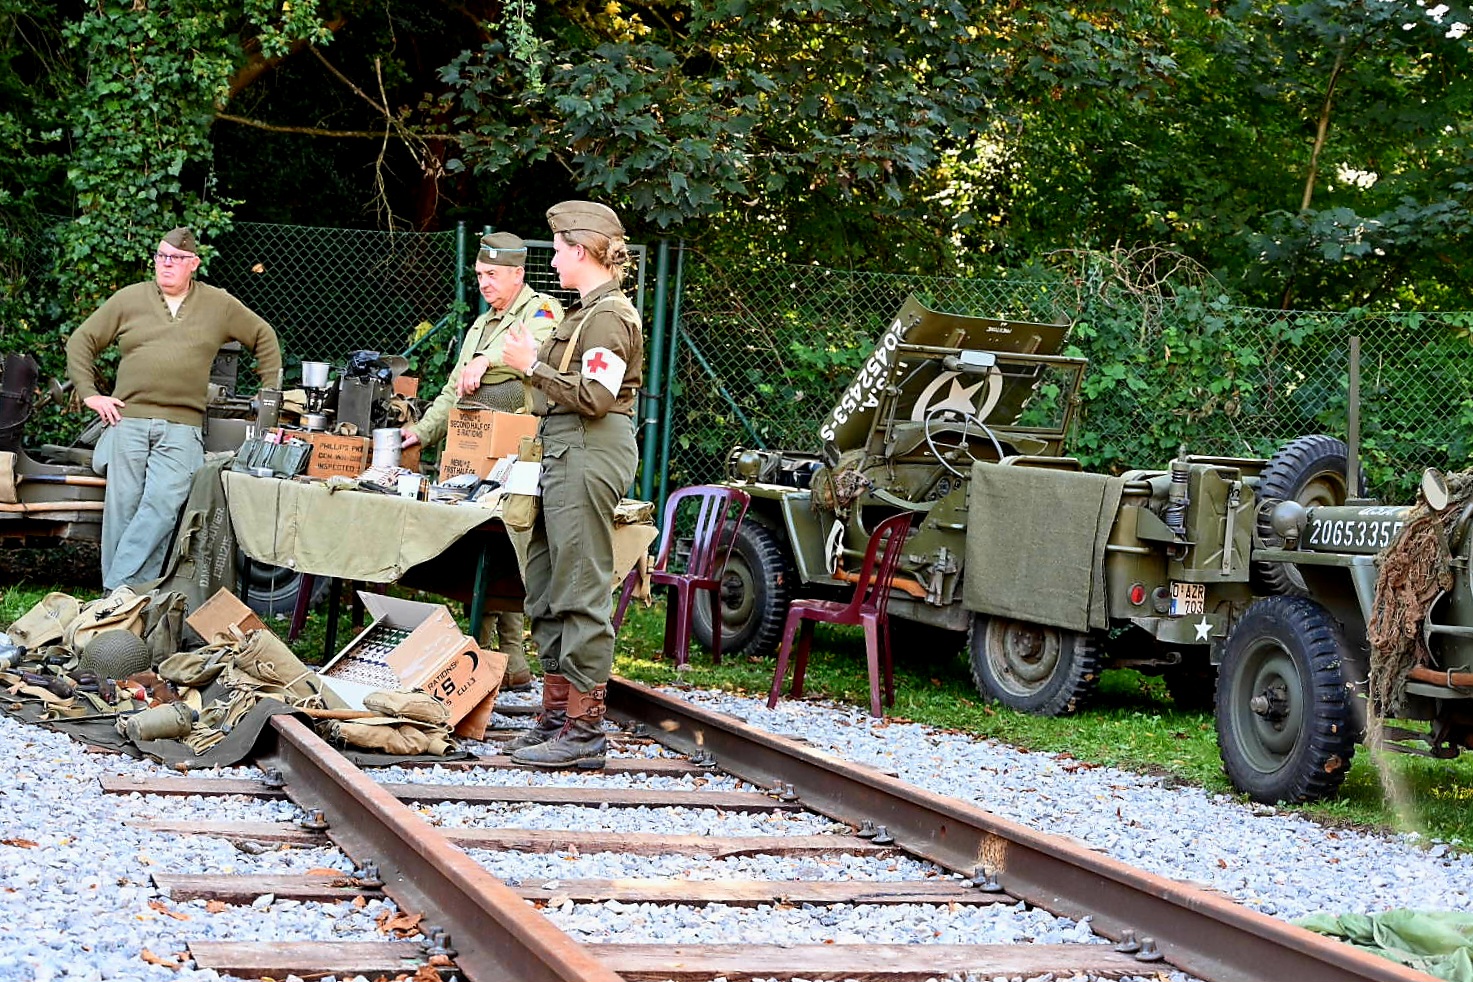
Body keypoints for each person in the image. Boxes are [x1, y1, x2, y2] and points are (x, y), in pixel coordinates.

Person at [499, 200, 642, 769]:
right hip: (562, 450)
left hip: (588, 449)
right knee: (547, 581)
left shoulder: (607, 317)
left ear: (579, 249)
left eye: (557, 249)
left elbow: (597, 398)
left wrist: (532, 365)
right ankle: (558, 714)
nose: (553, 260)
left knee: (580, 584)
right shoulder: (584, 312)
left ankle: (584, 730)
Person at [66, 227, 281, 590]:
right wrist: (90, 393)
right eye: (161, 256)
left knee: (164, 506)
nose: (166, 264)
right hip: (126, 418)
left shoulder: (218, 304)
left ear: (193, 264)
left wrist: (270, 394)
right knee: (123, 510)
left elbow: (264, 337)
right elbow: (81, 341)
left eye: (176, 258)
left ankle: (117, 592)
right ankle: (127, 602)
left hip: (182, 425)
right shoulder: (129, 299)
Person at [401, 231, 561, 690]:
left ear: (517, 273)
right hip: (477, 452)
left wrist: (486, 363)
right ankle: (505, 663)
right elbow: (454, 388)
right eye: (479, 275)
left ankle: (501, 660)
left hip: (524, 453)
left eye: (492, 275)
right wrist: (423, 431)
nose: (484, 284)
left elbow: (539, 345)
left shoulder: (542, 309)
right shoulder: (480, 324)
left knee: (513, 551)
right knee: (488, 551)